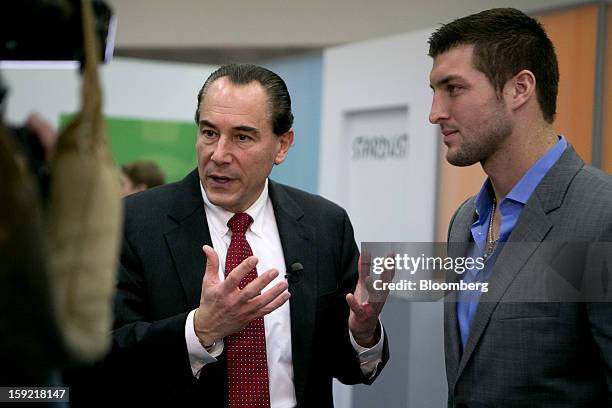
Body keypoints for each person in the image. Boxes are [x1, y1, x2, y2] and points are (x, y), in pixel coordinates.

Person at [108, 64, 389, 406]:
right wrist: (200, 331)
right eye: (209, 133)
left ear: (282, 145)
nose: (219, 154)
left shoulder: (325, 224)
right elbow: (103, 356)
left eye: (242, 137)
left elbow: (341, 362)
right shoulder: (134, 222)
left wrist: (361, 333)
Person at [428, 8, 612, 407]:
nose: (436, 113)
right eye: (434, 91)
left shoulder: (601, 216)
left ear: (519, 89)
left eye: (454, 89)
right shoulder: (466, 221)